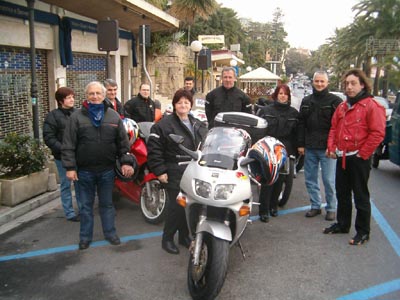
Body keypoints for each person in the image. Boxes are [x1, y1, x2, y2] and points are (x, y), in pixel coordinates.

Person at [62, 81, 136, 250]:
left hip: (107, 171)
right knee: (86, 206)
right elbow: (68, 144)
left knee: (107, 204)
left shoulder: (113, 116)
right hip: (84, 171)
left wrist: (125, 162)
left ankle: (110, 233)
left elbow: (122, 144)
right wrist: (70, 168)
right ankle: (85, 237)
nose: (95, 96)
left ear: (103, 96)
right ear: (86, 96)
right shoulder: (76, 117)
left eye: (98, 93)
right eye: (91, 94)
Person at [324, 69, 386, 245]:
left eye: (353, 83)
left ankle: (363, 232)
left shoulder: (372, 106)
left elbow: (378, 133)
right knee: (342, 193)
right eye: (347, 84)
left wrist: (362, 155)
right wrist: (331, 147)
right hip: (342, 157)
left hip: (358, 159)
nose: (349, 87)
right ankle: (343, 224)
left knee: (360, 196)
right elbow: (334, 128)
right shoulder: (343, 106)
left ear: (362, 85)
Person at [147, 88, 208, 255]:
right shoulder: (163, 125)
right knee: (176, 207)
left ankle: (183, 236)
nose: (183, 105)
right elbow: (154, 150)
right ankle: (167, 239)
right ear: (174, 104)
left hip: (194, 171)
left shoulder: (197, 123)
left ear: (191, 105)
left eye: (186, 102)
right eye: (180, 102)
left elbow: (207, 144)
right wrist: (160, 170)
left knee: (190, 207)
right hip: (174, 170)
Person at [297, 70, 343, 221]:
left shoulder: (335, 101)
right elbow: (301, 123)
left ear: (327, 83)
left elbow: (340, 126)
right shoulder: (306, 100)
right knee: (310, 179)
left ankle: (331, 208)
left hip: (327, 149)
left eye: (322, 81)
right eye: (317, 81)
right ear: (313, 82)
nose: (319, 84)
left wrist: (334, 146)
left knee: (328, 180)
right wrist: (301, 144)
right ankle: (315, 206)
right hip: (310, 146)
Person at [257, 84, 299, 222]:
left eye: (285, 94)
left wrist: (294, 151)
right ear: (276, 95)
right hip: (269, 147)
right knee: (267, 179)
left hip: (284, 148)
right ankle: (263, 210)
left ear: (288, 96)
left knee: (280, 180)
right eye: (280, 93)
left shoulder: (293, 113)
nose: (283, 96)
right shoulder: (266, 110)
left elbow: (296, 134)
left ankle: (273, 207)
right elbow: (260, 130)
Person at [43, 87, 81, 222]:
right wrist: (64, 149)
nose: (72, 100)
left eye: (72, 97)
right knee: (66, 185)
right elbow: (49, 137)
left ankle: (83, 210)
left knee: (80, 184)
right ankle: (70, 213)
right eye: (68, 97)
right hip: (62, 158)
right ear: (60, 101)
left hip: (79, 156)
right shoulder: (52, 116)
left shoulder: (79, 113)